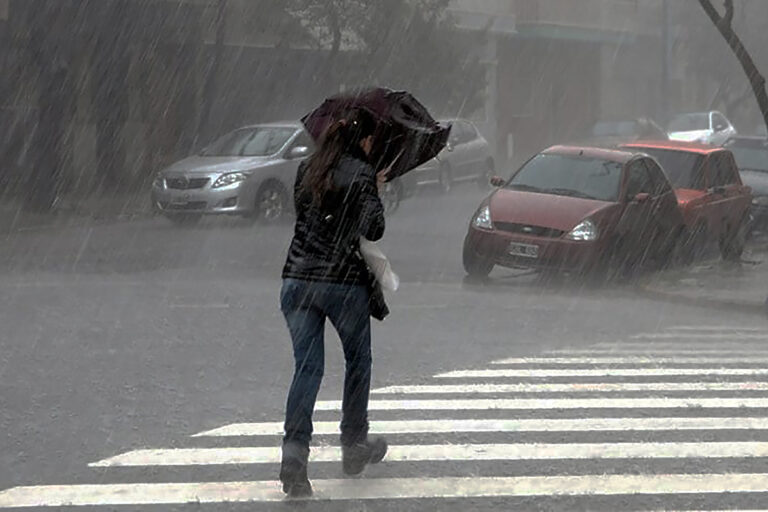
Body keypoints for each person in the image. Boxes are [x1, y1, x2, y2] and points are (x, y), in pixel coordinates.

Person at [279, 107, 388, 497]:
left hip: (297, 280)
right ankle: (354, 444)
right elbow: (374, 227)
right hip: (342, 283)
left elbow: (307, 216)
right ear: (363, 140)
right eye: (372, 140)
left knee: (307, 370)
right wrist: (373, 188)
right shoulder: (361, 172)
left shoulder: (306, 169)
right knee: (358, 361)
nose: (373, 146)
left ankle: (294, 460)